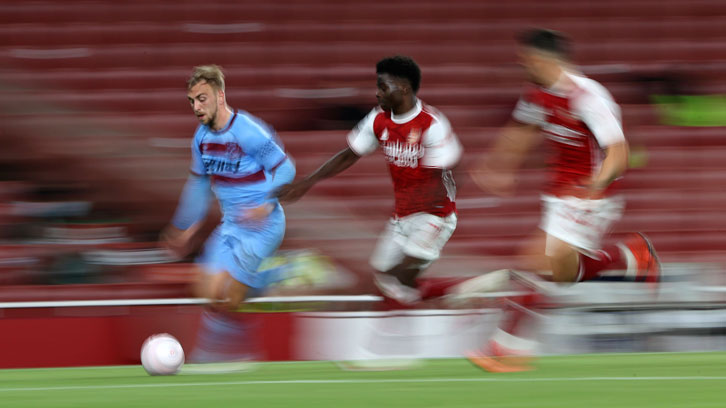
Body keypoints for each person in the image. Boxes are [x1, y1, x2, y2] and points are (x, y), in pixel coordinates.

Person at [467, 29, 660, 372]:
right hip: (557, 196)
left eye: (524, 60)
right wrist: (498, 166)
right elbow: (522, 129)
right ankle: (629, 256)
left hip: (591, 195)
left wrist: (594, 186)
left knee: (536, 261)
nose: (521, 64)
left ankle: (506, 347)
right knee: (562, 275)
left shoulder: (588, 96)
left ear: (541, 60)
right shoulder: (536, 94)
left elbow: (619, 152)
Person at [276, 55, 463, 306]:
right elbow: (349, 154)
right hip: (403, 215)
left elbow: (451, 171)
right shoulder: (378, 119)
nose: (377, 93)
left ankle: (449, 298)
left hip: (434, 214)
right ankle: (452, 298)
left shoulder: (431, 124)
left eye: (383, 87)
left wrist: (432, 210)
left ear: (404, 88)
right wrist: (307, 182)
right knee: (385, 278)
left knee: (398, 274)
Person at [160, 65, 295, 365]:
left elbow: (286, 169)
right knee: (204, 288)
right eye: (192, 100)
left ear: (220, 96)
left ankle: (214, 352)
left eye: (202, 99)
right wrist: (184, 225)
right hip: (232, 225)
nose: (196, 107)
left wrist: (266, 203)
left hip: (265, 225)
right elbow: (198, 185)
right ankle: (275, 276)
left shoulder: (248, 130)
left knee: (229, 292)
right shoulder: (201, 139)